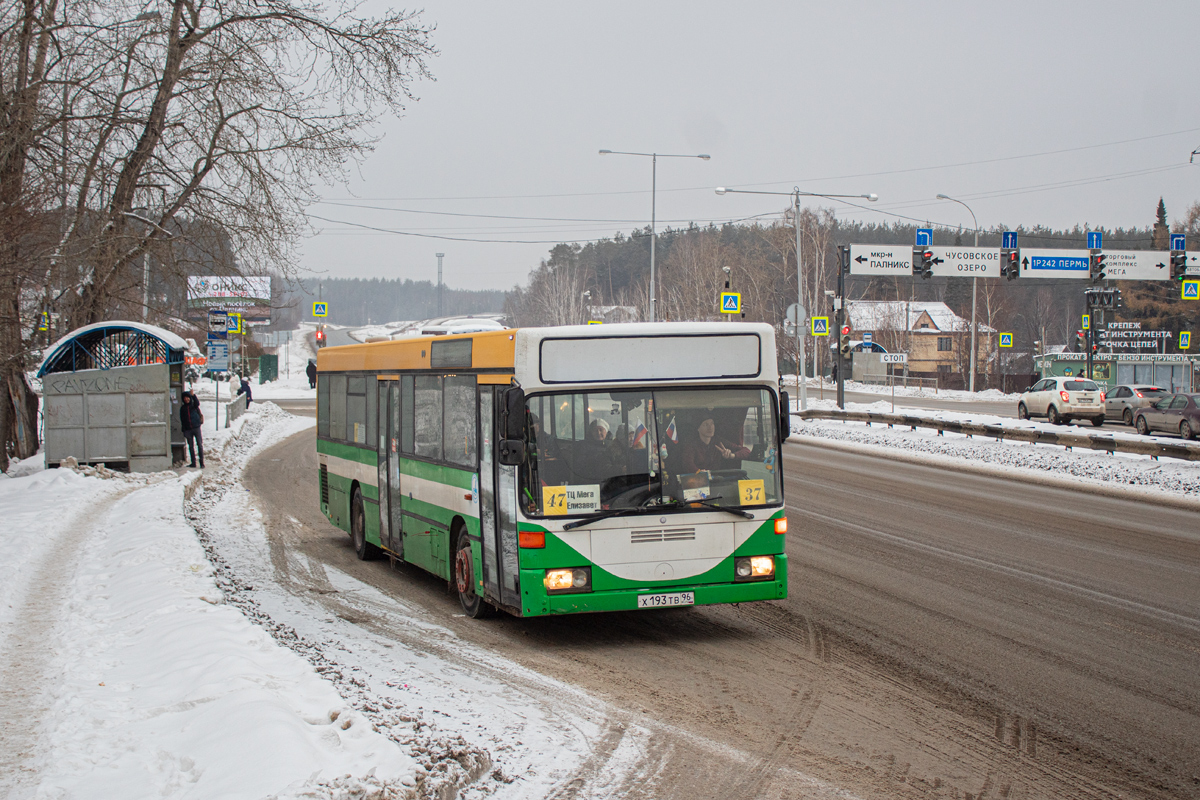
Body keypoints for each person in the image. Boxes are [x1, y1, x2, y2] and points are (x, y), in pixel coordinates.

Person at [677, 417, 750, 474]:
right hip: (697, 482)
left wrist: (732, 455)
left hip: (717, 481)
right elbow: (687, 464)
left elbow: (746, 451)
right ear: (698, 428)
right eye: (706, 424)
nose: (710, 427)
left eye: (712, 424)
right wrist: (699, 472)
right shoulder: (691, 444)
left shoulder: (718, 441)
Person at [180, 390, 205, 468]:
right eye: (185, 398)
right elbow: (182, 419)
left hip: (196, 427)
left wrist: (193, 395)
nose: (186, 399)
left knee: (199, 445)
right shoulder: (183, 408)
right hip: (188, 429)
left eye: (188, 397)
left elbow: (197, 403)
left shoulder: (193, 405)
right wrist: (184, 429)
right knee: (191, 446)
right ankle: (193, 463)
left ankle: (202, 462)